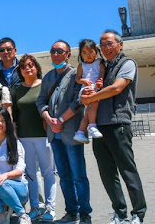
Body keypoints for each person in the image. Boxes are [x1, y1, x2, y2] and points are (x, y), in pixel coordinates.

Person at [80, 31, 147, 224]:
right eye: (103, 45)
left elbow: (117, 88)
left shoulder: (127, 64)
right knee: (107, 173)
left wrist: (90, 98)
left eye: (110, 44)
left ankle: (138, 212)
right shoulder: (103, 67)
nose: (106, 48)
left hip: (118, 123)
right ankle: (119, 212)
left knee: (127, 170)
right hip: (100, 126)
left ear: (120, 44)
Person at [36, 40, 91, 224]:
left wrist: (60, 119)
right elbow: (41, 100)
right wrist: (48, 118)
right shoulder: (48, 77)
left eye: (60, 51)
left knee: (78, 175)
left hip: (71, 132)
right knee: (65, 177)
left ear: (68, 54)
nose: (55, 54)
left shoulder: (76, 73)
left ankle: (84, 213)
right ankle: (71, 212)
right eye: (53, 51)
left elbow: (78, 101)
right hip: (54, 134)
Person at [12, 55, 56, 222]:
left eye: (30, 65)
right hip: (24, 137)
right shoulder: (17, 89)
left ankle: (50, 208)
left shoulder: (45, 85)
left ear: (36, 67)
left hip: (44, 136)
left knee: (48, 173)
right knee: (30, 173)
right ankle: (35, 207)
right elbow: (14, 114)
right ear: (20, 71)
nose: (27, 68)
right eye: (24, 66)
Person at [73, 40, 107, 144]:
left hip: (95, 87)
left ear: (96, 51)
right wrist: (83, 80)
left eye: (91, 52)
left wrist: (100, 81)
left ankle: (80, 131)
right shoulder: (81, 65)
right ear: (81, 54)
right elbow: (77, 79)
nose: (88, 55)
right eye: (84, 53)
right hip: (86, 89)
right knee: (94, 102)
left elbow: (102, 73)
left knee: (88, 112)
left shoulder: (99, 62)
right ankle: (92, 126)